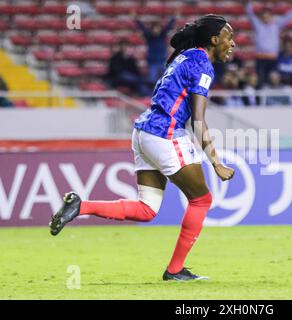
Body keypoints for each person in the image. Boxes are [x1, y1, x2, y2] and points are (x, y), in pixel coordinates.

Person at [49, 15, 236, 281]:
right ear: (214, 40)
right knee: (201, 199)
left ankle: (81, 206)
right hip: (166, 134)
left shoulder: (184, 57)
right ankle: (174, 271)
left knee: (147, 208)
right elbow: (198, 120)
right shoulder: (202, 65)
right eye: (229, 37)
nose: (234, 43)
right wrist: (216, 161)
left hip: (143, 131)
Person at [245, 0, 292, 86]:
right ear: (261, 17)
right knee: (261, 80)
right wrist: (248, 3)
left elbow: (287, 17)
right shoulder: (257, 25)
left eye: (267, 15)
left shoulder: (276, 25)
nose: (265, 17)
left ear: (271, 16)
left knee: (273, 79)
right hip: (260, 58)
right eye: (263, 16)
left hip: (273, 58)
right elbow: (250, 14)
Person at [134, 12, 177, 84]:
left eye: (158, 28)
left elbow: (168, 27)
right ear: (151, 29)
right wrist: (136, 19)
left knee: (167, 79)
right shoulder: (149, 37)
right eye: (154, 29)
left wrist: (174, 18)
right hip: (152, 62)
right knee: (152, 80)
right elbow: (142, 28)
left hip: (162, 61)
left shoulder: (162, 36)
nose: (156, 30)